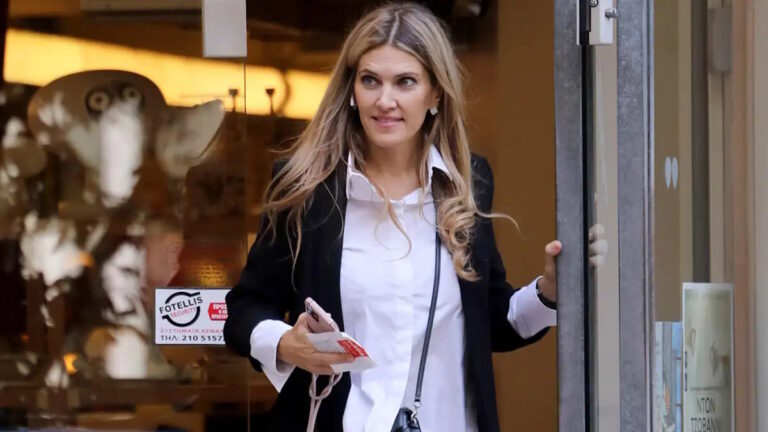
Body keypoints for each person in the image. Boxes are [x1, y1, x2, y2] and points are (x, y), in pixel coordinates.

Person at [225, 3, 566, 431]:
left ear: (435, 93)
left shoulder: (467, 182)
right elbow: (244, 309)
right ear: (352, 89)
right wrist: (284, 344)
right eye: (370, 80)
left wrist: (549, 293)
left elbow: (492, 322)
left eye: (405, 82)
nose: (385, 101)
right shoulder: (306, 189)